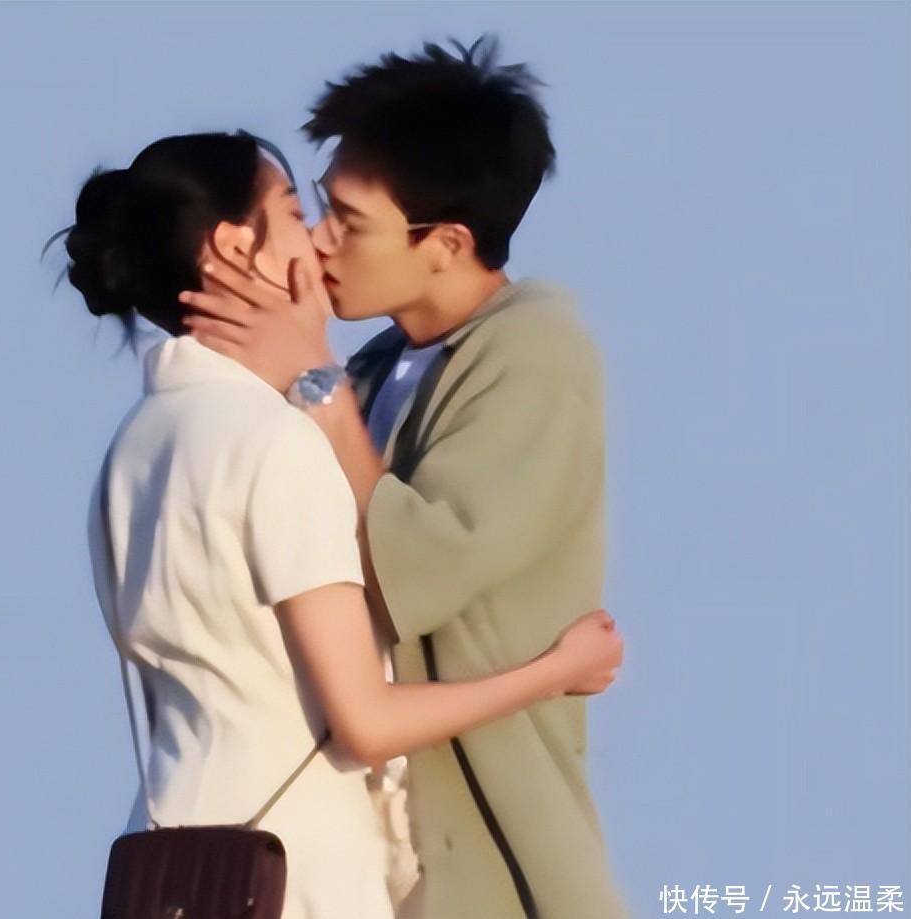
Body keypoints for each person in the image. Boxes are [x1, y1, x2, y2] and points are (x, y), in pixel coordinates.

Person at [56, 130, 623, 919]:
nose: (319, 239)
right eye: (295, 212)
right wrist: (552, 670)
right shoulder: (278, 442)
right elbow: (365, 722)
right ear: (234, 248)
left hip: (168, 862)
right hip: (290, 867)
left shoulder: (136, 445)